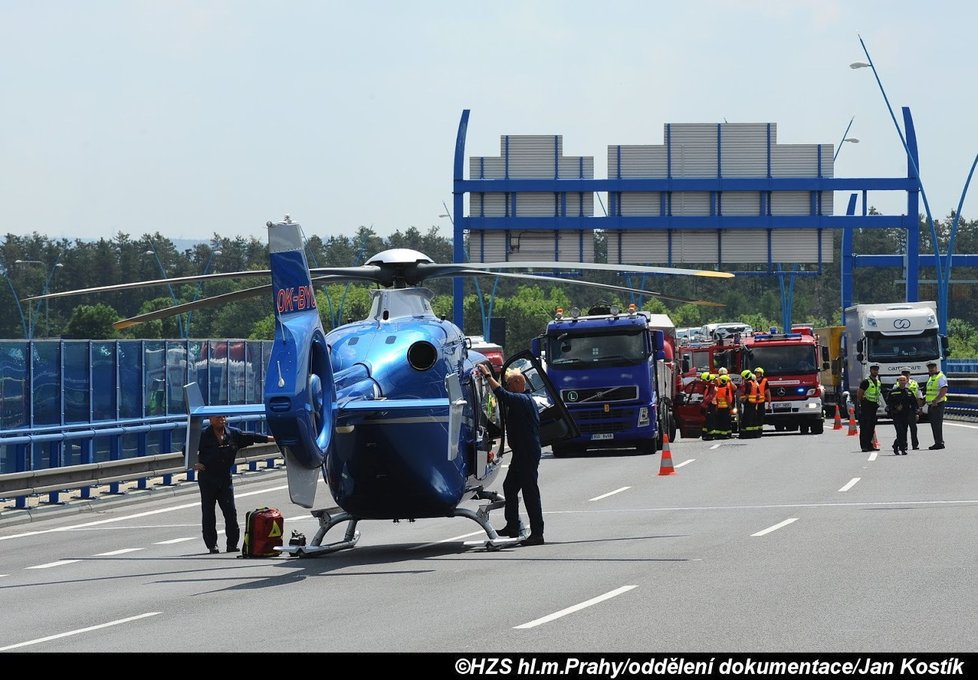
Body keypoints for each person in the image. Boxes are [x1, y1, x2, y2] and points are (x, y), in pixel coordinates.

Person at [475, 363, 545, 546]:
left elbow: (502, 395)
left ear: (516, 383)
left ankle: (538, 533)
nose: (507, 386)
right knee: (510, 486)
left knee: (530, 492)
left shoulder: (523, 400)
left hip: (527, 452)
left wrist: (488, 376)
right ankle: (512, 525)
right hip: (522, 451)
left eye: (508, 383)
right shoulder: (522, 400)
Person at [193, 415, 275, 554]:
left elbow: (252, 437)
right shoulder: (202, 435)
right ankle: (212, 545)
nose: (222, 419)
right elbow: (186, 449)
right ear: (210, 419)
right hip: (208, 478)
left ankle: (232, 544)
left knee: (230, 512)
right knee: (208, 512)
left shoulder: (233, 433)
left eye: (224, 417)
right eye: (218, 417)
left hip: (225, 478)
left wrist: (272, 439)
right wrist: (194, 463)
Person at [886, 375, 919, 455]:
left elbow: (914, 404)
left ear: (906, 381)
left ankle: (895, 445)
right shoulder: (893, 392)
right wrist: (895, 407)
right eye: (900, 380)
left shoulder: (909, 392)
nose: (902, 382)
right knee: (900, 431)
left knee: (904, 432)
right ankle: (902, 449)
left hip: (906, 415)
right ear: (898, 381)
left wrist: (916, 413)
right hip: (896, 415)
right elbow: (889, 403)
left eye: (904, 380)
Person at [856, 364, 883, 452]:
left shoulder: (878, 382)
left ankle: (870, 445)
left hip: (874, 406)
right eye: (874, 370)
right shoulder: (866, 382)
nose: (876, 371)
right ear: (870, 371)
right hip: (866, 406)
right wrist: (863, 402)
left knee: (871, 427)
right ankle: (864, 446)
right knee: (865, 427)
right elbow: (859, 394)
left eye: (877, 370)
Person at [923, 360, 948, 449]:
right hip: (931, 404)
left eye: (932, 368)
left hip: (938, 404)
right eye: (929, 368)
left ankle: (939, 442)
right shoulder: (931, 377)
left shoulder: (940, 377)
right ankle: (937, 442)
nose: (931, 369)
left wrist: (936, 400)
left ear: (936, 367)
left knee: (937, 424)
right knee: (934, 424)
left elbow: (944, 389)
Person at [899, 367, 922, 450]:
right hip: (902, 411)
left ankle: (915, 445)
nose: (906, 375)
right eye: (904, 374)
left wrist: (919, 409)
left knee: (913, 428)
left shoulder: (914, 384)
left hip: (911, 409)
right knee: (903, 428)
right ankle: (904, 445)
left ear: (909, 375)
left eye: (907, 374)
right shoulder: (897, 384)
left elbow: (918, 397)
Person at [754, 367, 771, 435]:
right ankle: (755, 430)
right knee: (754, 417)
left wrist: (769, 402)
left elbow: (767, 392)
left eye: (758, 373)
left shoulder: (764, 381)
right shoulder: (752, 381)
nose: (757, 374)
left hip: (761, 402)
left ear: (761, 374)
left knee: (760, 416)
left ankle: (759, 431)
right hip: (753, 402)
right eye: (756, 373)